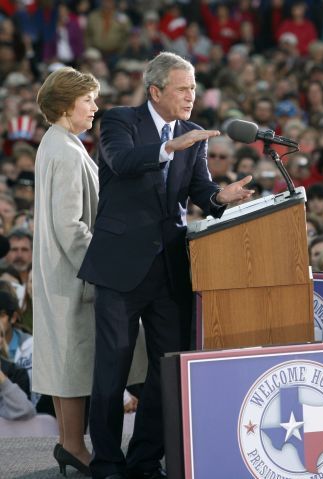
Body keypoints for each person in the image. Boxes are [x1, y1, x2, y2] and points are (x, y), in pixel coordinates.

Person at [77, 52, 254, 479]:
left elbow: (200, 192)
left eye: (193, 88)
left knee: (166, 367)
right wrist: (166, 147)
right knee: (113, 367)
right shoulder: (120, 120)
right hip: (120, 267)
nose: (191, 96)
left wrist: (220, 199)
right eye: (182, 88)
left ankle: (144, 458)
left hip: (170, 270)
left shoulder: (194, 133)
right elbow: (121, 162)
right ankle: (106, 461)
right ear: (155, 91)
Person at [32, 66, 104, 476]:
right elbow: (69, 224)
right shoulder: (64, 149)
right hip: (73, 273)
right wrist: (100, 265)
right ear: (65, 105)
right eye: (88, 99)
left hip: (59, 273)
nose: (95, 106)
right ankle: (75, 447)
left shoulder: (58, 143)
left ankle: (69, 444)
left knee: (65, 362)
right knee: (72, 363)